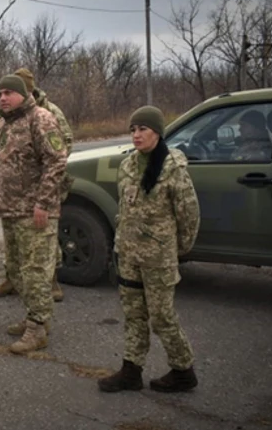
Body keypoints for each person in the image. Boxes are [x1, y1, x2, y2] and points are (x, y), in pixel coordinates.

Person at [98, 106, 201, 393]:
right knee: (133, 315)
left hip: (158, 258)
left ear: (157, 131)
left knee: (162, 317)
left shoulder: (173, 168)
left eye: (142, 129)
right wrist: (121, 243)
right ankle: (131, 371)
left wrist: (175, 250)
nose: (136, 135)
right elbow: (124, 209)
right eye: (132, 130)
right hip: (130, 254)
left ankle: (183, 370)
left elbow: (189, 215)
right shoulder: (128, 165)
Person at [0, 74, 68, 354]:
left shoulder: (40, 118)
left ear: (23, 94)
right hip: (10, 209)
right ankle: (34, 317)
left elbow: (56, 161)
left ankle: (37, 329)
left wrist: (43, 203)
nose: (3, 98)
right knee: (18, 270)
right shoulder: (1, 123)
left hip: (34, 212)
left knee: (35, 271)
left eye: (8, 93)